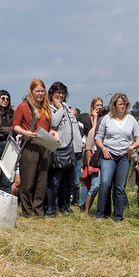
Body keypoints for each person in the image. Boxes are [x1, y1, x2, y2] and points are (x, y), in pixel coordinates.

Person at [94, 92, 139, 222]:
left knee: (120, 187)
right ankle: (100, 214)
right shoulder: (107, 119)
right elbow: (98, 137)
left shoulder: (131, 119)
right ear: (114, 105)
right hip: (108, 154)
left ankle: (119, 217)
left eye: (125, 104)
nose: (123, 106)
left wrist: (132, 147)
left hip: (124, 157)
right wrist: (103, 148)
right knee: (105, 183)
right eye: (120, 104)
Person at [12, 78, 54, 219]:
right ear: (32, 91)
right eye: (37, 91)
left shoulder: (46, 108)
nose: (40, 94)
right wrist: (26, 133)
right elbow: (16, 126)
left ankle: (38, 210)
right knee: (28, 181)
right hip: (29, 145)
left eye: (42, 91)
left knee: (41, 181)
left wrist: (54, 133)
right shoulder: (24, 106)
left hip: (45, 145)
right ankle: (27, 211)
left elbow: (50, 127)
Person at [46, 81, 82, 215]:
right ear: (52, 94)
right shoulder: (50, 108)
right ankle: (52, 207)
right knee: (55, 182)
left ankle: (65, 206)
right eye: (58, 93)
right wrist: (59, 108)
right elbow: (53, 123)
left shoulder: (67, 107)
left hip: (72, 150)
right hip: (59, 150)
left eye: (63, 93)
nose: (61, 95)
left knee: (68, 182)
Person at [80, 96, 104, 214]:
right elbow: (92, 135)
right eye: (97, 106)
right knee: (90, 183)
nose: (99, 108)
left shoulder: (105, 119)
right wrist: (95, 119)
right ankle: (84, 206)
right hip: (93, 155)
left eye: (101, 105)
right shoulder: (87, 120)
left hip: (103, 155)